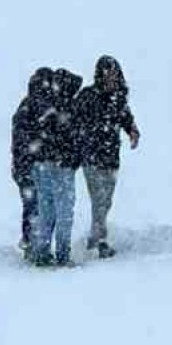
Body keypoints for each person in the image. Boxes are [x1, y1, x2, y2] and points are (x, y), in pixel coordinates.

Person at [73, 55, 140, 259]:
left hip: (111, 158)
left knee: (106, 201)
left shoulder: (118, 98)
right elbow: (74, 121)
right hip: (91, 158)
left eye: (115, 75)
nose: (112, 78)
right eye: (108, 74)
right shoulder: (87, 96)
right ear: (100, 75)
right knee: (99, 200)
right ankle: (99, 241)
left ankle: (96, 236)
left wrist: (133, 132)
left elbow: (126, 118)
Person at [28, 68, 83, 267]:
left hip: (42, 165)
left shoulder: (43, 105)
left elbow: (36, 136)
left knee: (46, 211)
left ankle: (41, 252)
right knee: (64, 213)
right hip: (62, 167)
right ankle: (62, 255)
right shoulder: (68, 107)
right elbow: (74, 139)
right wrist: (72, 158)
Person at [11, 67, 54, 255]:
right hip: (30, 168)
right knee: (34, 206)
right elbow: (25, 143)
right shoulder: (32, 109)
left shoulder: (28, 107)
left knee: (33, 206)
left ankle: (32, 242)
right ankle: (31, 244)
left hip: (27, 167)